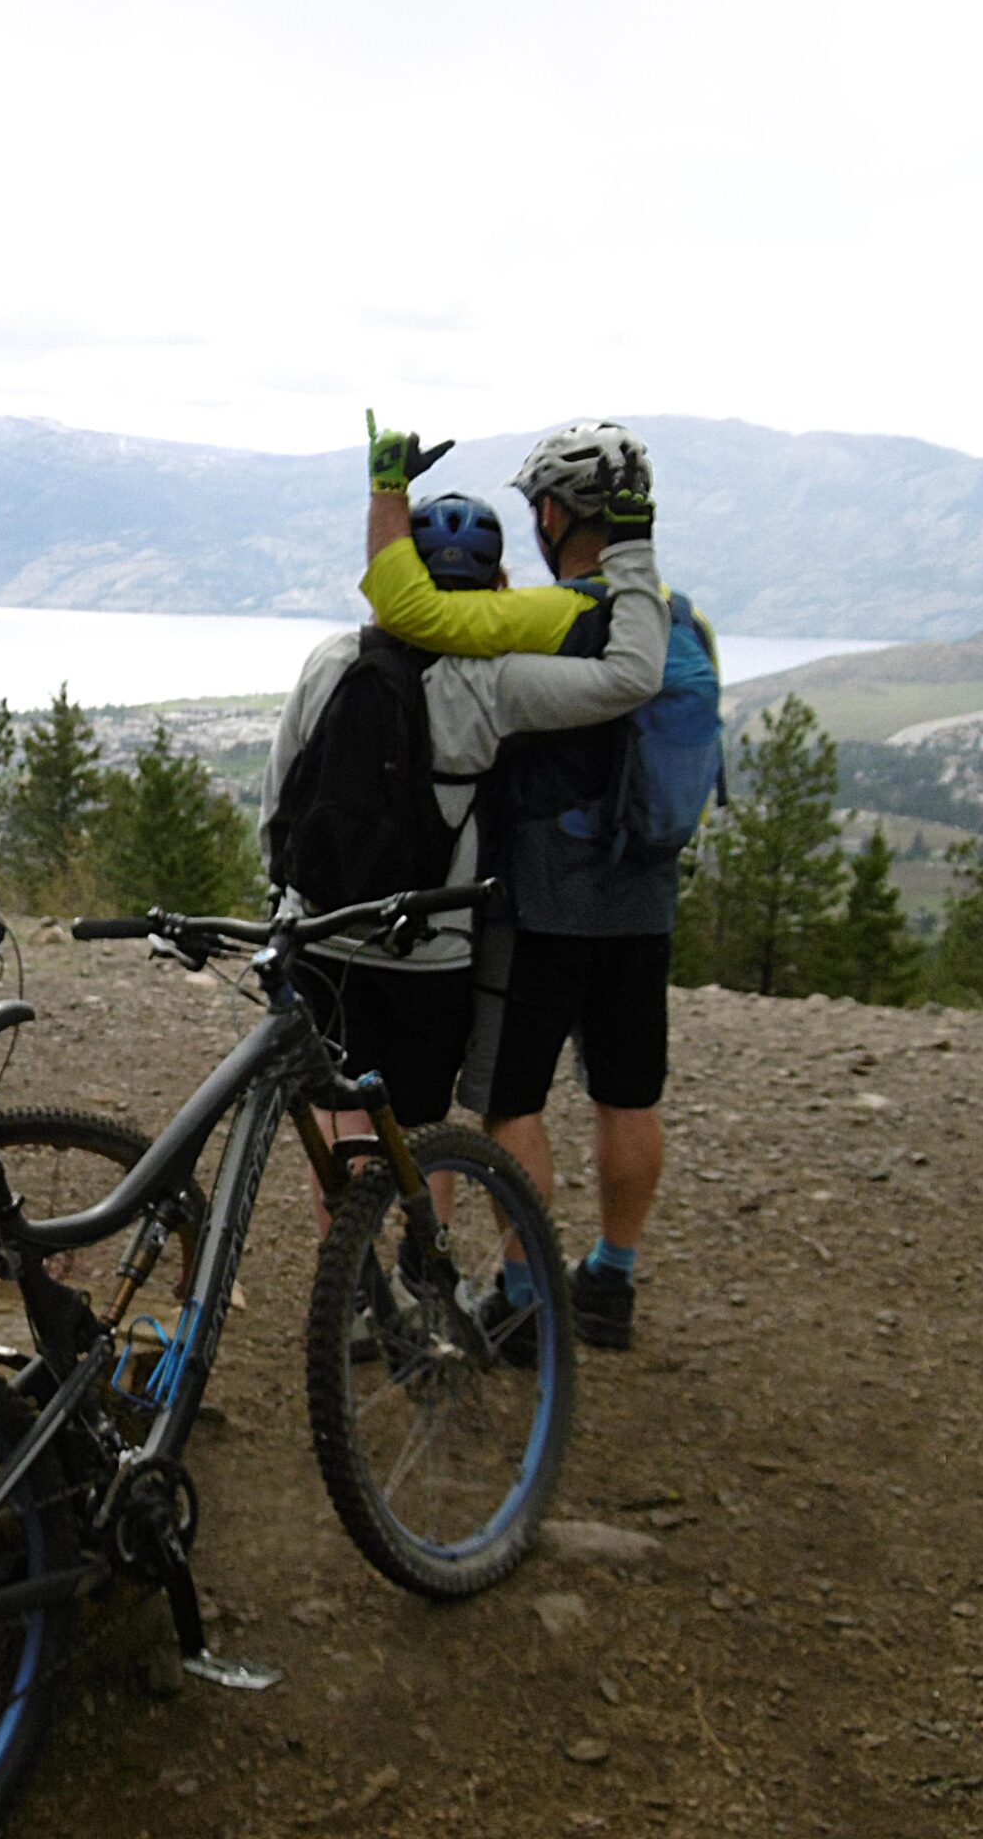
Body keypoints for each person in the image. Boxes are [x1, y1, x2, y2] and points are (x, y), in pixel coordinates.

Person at [261, 421, 667, 1304]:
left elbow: (279, 795)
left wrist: (286, 891)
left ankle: (354, 1297)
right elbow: (624, 682)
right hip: (433, 948)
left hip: (323, 929)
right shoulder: (498, 683)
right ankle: (425, 1275)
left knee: (339, 1114)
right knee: (417, 1121)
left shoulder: (329, 661)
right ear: (492, 587)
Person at [358, 420, 717, 1352]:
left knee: (513, 1104)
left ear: (556, 514)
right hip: (644, 898)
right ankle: (612, 1282)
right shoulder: (685, 623)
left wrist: (387, 487)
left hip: (544, 903)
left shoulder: (562, 616)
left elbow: (411, 614)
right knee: (628, 1096)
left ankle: (521, 1298)